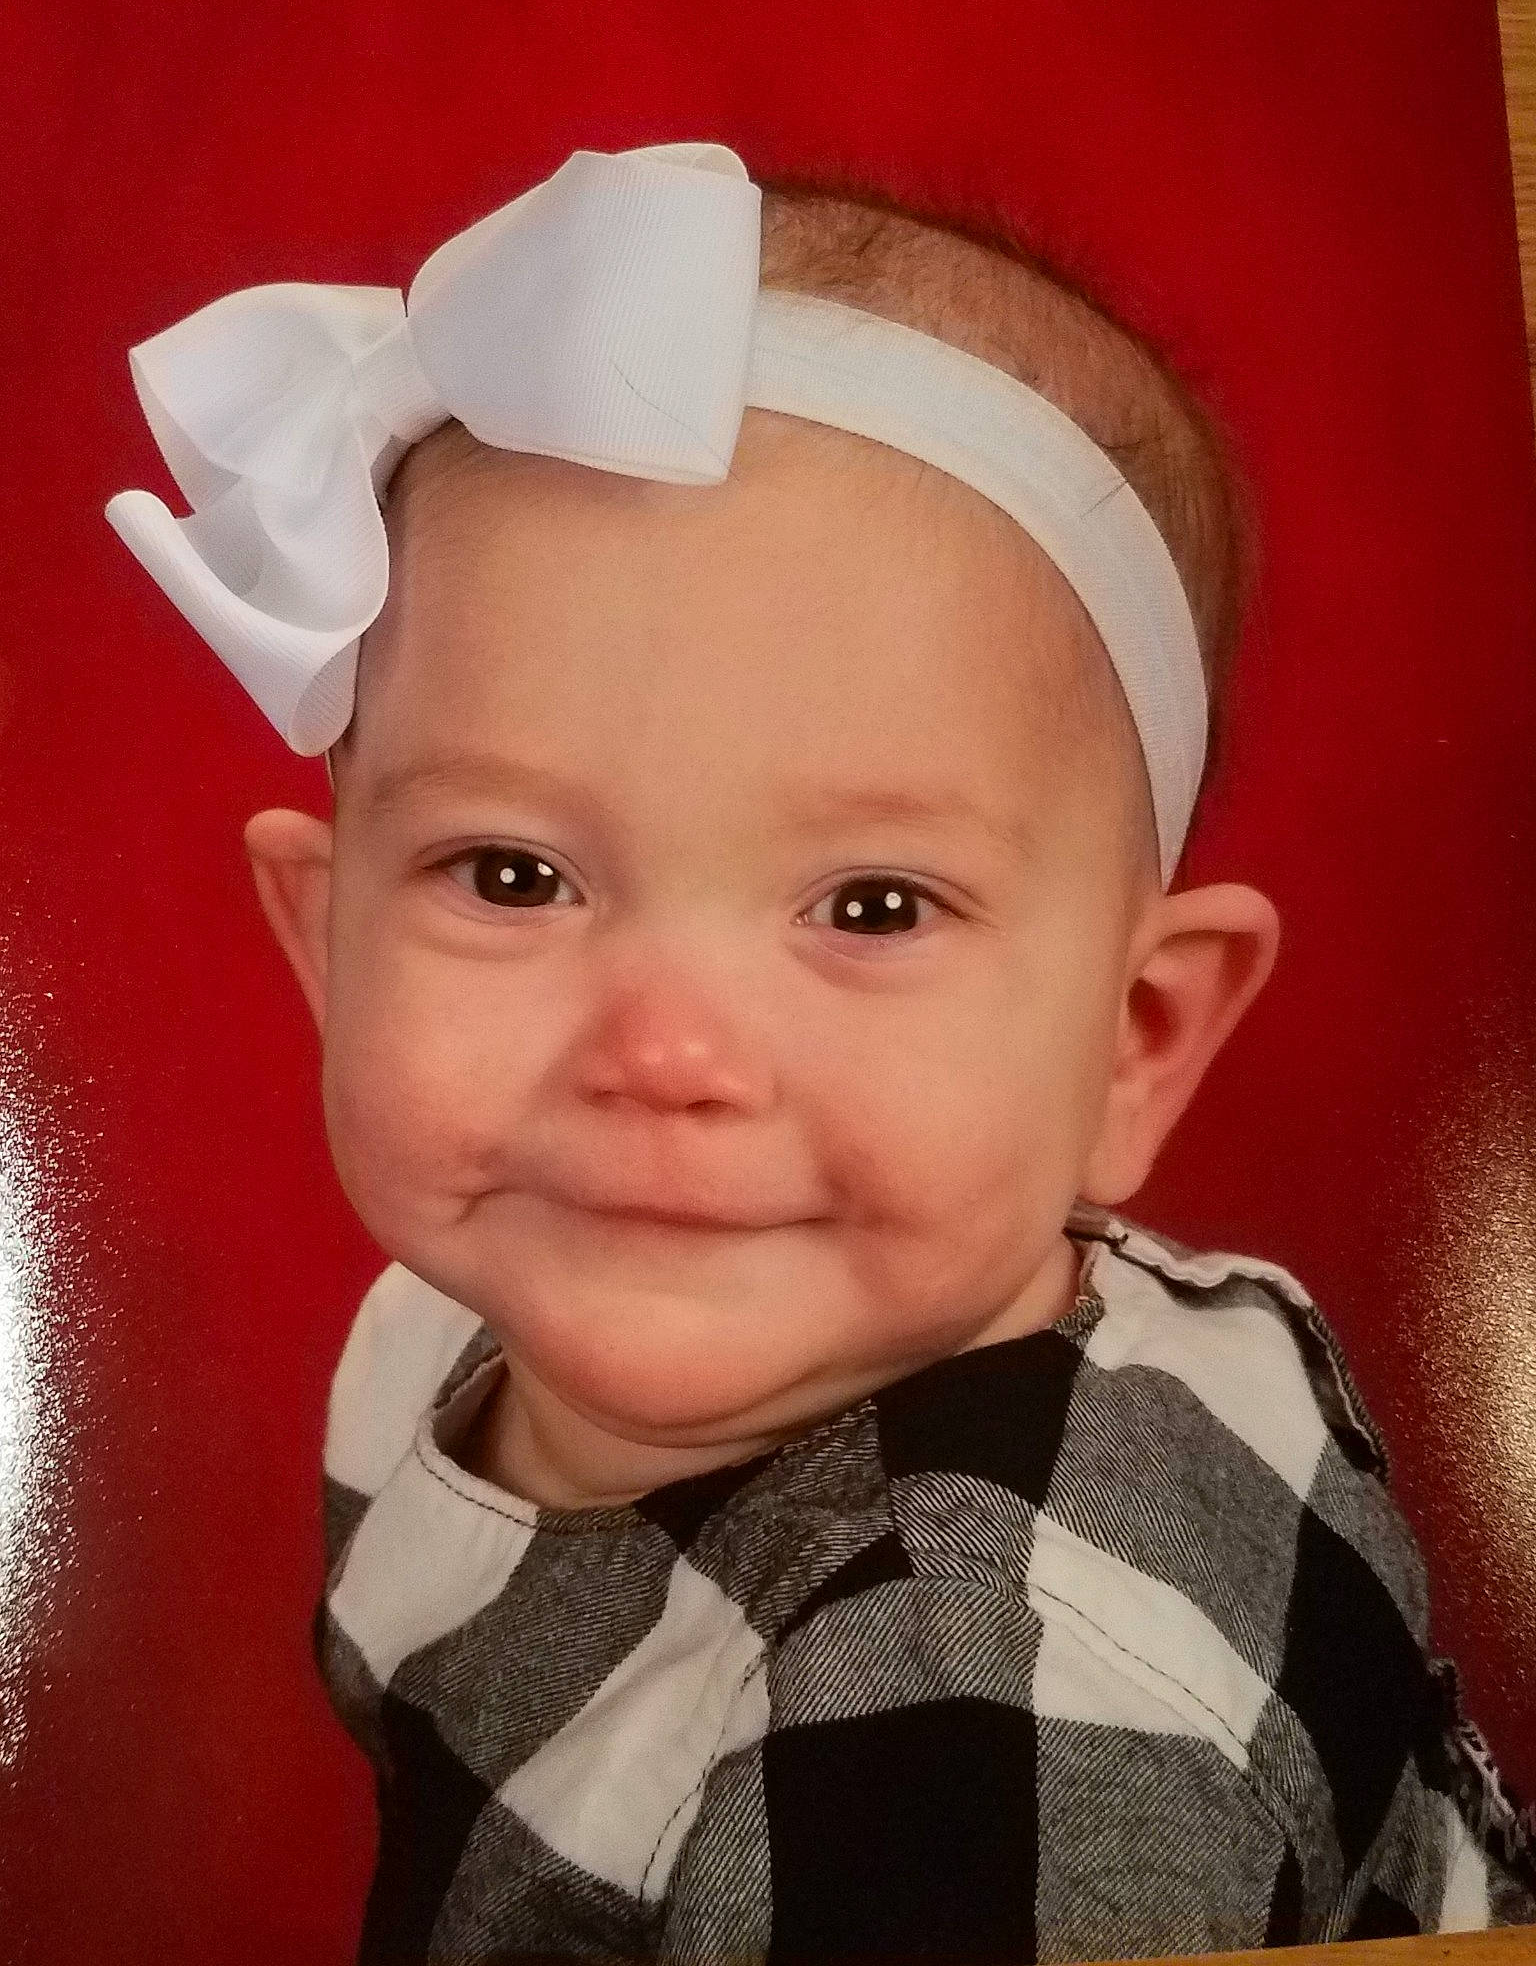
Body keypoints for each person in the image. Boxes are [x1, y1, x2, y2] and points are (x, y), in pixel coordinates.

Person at [105, 141, 1536, 1962]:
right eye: (516, 874)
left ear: (1135, 1036)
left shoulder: (971, 1723)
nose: (667, 1051)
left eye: (870, 907)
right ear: (330, 937)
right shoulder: (468, 1303)